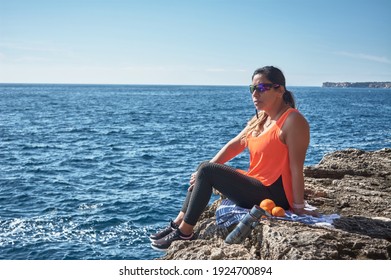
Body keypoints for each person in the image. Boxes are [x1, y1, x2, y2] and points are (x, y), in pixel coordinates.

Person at [150, 66, 318, 251]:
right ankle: (179, 221)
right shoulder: (262, 118)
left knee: (207, 170)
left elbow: (296, 168)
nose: (255, 94)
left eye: (262, 88)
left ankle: (185, 233)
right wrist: (200, 173)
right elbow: (235, 144)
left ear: (280, 90)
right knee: (204, 168)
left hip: (275, 194)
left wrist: (299, 206)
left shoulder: (293, 120)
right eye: (252, 89)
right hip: (257, 184)